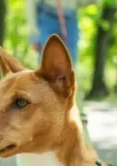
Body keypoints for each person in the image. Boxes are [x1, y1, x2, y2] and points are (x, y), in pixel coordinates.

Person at [25, 0, 102, 132]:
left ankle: (76, 112)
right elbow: (30, 3)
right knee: (46, 70)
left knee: (71, 67)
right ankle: (44, 114)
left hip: (70, 19)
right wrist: (34, 33)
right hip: (47, 17)